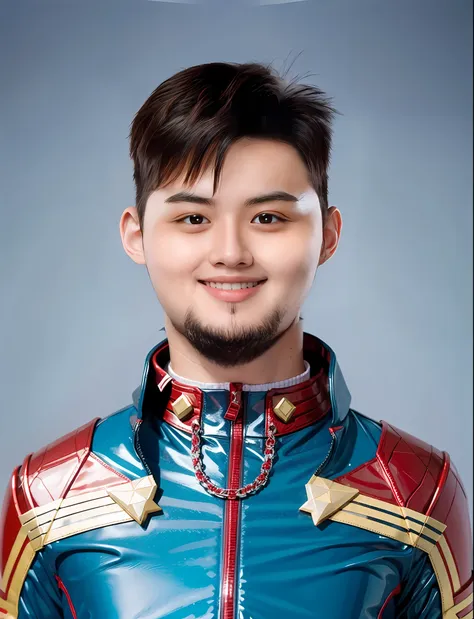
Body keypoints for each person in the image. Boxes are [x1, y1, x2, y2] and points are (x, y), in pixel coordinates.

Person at [0, 61, 472, 619]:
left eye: (269, 217)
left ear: (328, 235)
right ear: (136, 235)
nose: (230, 252)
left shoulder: (417, 493)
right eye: (193, 219)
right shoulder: (48, 498)